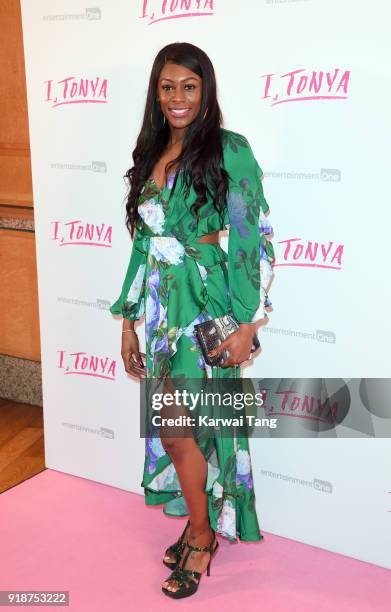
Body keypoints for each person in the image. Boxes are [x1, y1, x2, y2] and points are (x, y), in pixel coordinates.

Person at [109, 42, 275, 599]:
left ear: (206, 91)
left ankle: (202, 537)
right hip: (160, 310)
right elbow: (143, 247)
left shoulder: (229, 150)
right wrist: (129, 320)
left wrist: (250, 321)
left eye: (189, 86)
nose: (177, 97)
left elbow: (254, 237)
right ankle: (199, 524)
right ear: (156, 93)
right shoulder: (153, 150)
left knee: (184, 430)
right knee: (175, 430)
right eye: (167, 86)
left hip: (205, 305)